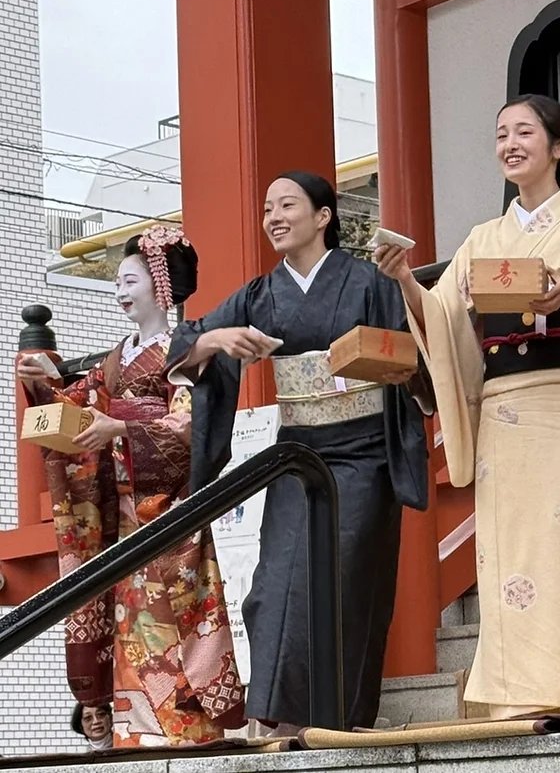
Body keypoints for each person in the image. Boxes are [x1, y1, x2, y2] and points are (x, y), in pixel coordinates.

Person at [375, 94, 560, 718]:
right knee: (509, 554)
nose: (509, 144)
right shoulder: (482, 238)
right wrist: (405, 281)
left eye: (525, 132)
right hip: (503, 409)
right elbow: (443, 322)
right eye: (501, 134)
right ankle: (518, 692)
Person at [166, 172, 429, 733]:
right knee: (273, 587)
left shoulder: (365, 280)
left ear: (324, 216)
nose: (274, 217)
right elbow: (188, 341)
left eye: (287, 205)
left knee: (348, 580)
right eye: (267, 209)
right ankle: (282, 719)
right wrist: (221, 341)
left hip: (363, 456)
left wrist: (378, 361)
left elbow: (414, 359)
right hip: (297, 455)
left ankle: (343, 716)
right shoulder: (260, 294)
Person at [17, 226, 244, 747]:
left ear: (161, 284)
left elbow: (189, 425)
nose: (120, 291)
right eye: (117, 282)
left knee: (169, 617)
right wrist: (40, 382)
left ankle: (185, 731)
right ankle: (134, 731)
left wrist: (121, 428)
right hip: (123, 515)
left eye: (129, 280)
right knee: (128, 619)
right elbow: (77, 404)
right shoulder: (116, 358)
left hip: (167, 510)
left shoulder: (187, 350)